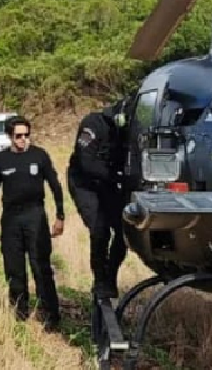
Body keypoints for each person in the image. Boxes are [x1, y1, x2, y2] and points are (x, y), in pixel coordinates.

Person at [0, 115, 65, 329]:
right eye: (18, 136)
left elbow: (55, 185)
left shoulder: (39, 156)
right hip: (11, 219)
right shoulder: (0, 160)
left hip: (35, 216)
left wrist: (60, 216)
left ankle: (51, 315)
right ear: (10, 136)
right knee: (14, 268)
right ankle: (20, 312)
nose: (23, 140)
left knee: (41, 266)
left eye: (26, 135)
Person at [67, 98, 131, 299]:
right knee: (100, 230)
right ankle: (100, 280)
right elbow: (86, 163)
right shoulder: (93, 124)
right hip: (84, 183)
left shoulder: (127, 130)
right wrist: (118, 176)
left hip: (108, 183)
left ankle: (110, 276)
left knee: (124, 230)